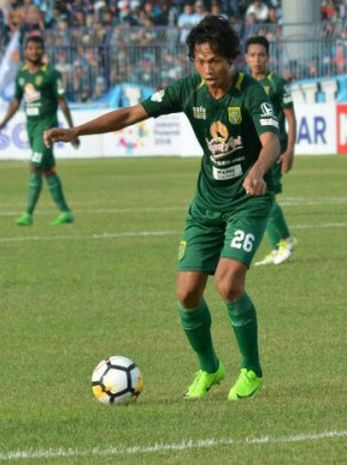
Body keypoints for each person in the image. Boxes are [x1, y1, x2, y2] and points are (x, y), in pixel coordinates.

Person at [45, 15, 281, 401]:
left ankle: (251, 370)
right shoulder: (187, 90)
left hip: (248, 200)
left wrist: (257, 171)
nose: (208, 69)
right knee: (187, 293)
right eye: (201, 60)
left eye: (215, 61)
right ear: (193, 61)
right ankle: (210, 368)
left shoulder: (251, 93)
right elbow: (129, 115)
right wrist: (77, 131)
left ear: (232, 60)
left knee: (227, 282)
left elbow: (271, 141)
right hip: (206, 202)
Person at [0, 35, 77, 226]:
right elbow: (16, 102)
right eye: (30, 48)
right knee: (48, 170)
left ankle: (28, 214)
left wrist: (72, 130)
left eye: (37, 48)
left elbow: (62, 102)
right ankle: (66, 212)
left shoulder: (52, 73)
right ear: (25, 51)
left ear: (43, 50)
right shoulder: (21, 74)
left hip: (47, 128)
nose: (34, 51)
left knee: (35, 166)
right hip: (32, 127)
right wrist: (2, 123)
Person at [245, 35, 298, 266]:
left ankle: (284, 240)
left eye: (261, 55)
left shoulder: (276, 83)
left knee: (264, 196)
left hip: (274, 149)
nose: (257, 60)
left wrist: (290, 151)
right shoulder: (243, 83)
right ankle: (278, 245)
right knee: (259, 196)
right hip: (253, 151)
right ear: (246, 58)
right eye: (253, 55)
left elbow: (291, 118)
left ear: (268, 57)